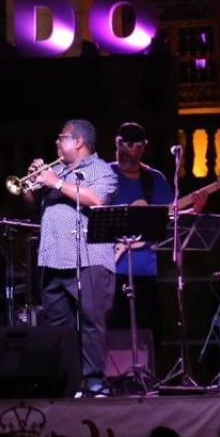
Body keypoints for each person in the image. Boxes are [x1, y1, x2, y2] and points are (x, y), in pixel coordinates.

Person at [30, 119, 118, 396]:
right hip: (52, 259)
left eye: (62, 138)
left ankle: (95, 381)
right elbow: (28, 202)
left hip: (88, 259)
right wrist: (33, 181)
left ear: (78, 141)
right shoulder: (54, 171)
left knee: (92, 322)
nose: (57, 143)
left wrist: (56, 182)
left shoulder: (103, 170)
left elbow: (96, 199)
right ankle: (65, 380)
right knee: (57, 326)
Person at [107, 122, 174, 348]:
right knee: (113, 331)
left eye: (131, 145)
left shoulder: (154, 179)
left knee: (150, 330)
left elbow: (169, 216)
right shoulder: (105, 175)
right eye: (120, 144)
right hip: (109, 269)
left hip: (145, 269)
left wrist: (193, 209)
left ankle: (148, 378)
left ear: (142, 148)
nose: (124, 150)